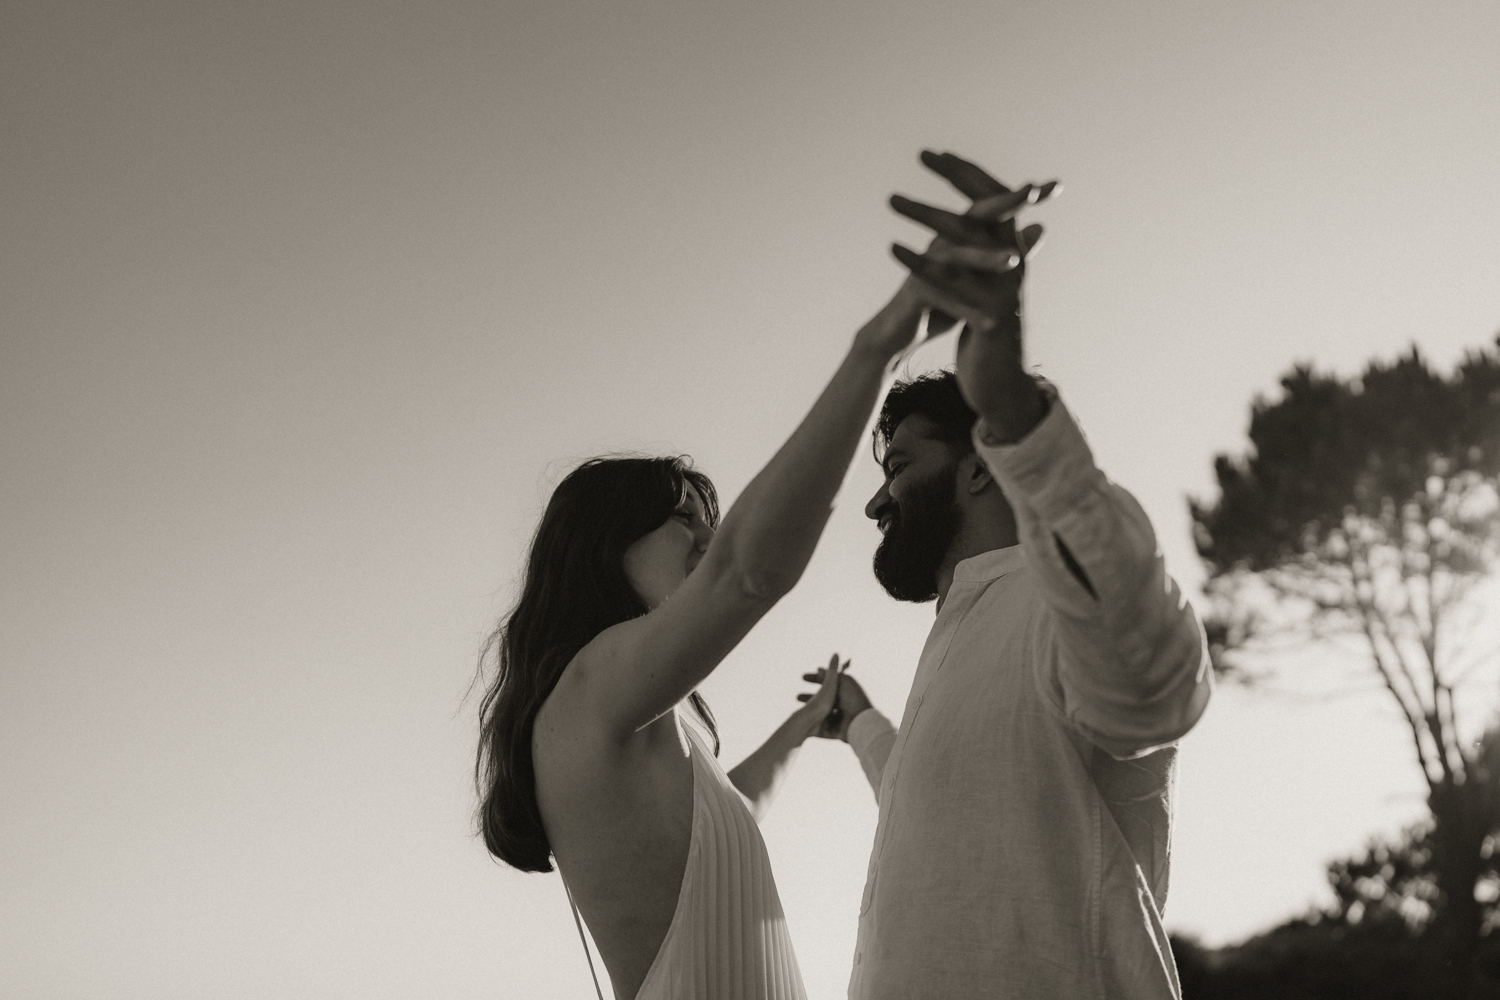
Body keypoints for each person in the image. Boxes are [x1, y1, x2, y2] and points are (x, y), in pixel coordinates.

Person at [474, 162, 1054, 1000]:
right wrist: (882, 343)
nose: (708, 542)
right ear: (603, 545)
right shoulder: (588, 685)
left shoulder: (642, 725)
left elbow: (728, 812)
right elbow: (749, 572)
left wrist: (807, 727)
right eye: (685, 520)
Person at [825, 151, 1214, 999]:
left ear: (978, 467)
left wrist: (1013, 410)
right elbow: (928, 793)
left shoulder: (1055, 601)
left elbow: (1159, 687)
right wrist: (859, 722)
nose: (877, 503)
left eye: (899, 466)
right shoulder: (963, 628)